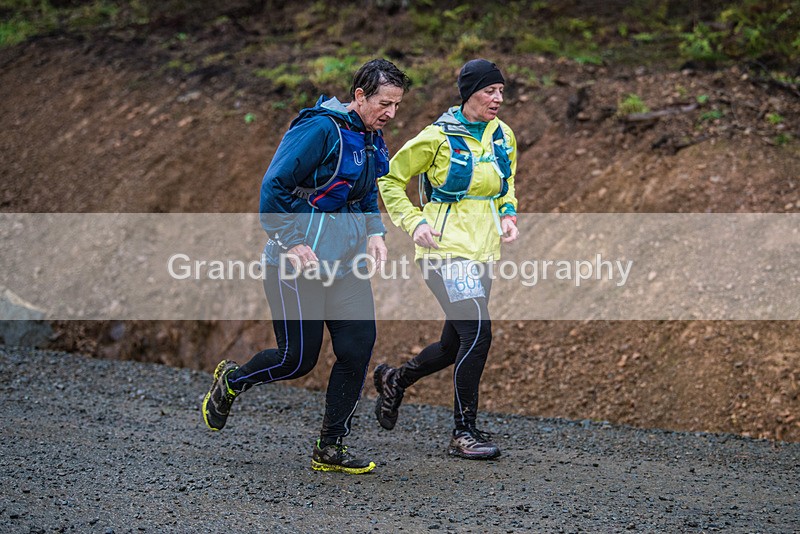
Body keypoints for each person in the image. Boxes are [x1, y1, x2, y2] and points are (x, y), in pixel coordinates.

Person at [202, 59, 411, 474]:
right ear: (359, 97)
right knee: (297, 360)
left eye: (397, 104)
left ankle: (330, 447)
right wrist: (291, 241)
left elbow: (365, 194)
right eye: (384, 103)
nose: (391, 113)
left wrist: (374, 233)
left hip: (346, 265)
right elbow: (273, 186)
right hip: (295, 264)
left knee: (356, 349)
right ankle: (231, 382)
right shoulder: (319, 130)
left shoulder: (371, 137)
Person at [374, 59, 519, 460]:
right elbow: (388, 178)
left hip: (483, 251)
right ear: (470, 92)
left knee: (454, 344)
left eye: (501, 91)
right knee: (478, 334)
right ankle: (463, 432)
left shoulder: (502, 134)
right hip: (444, 251)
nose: (498, 99)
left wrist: (508, 214)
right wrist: (413, 221)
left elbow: (505, 184)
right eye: (491, 91)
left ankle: (395, 380)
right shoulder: (436, 137)